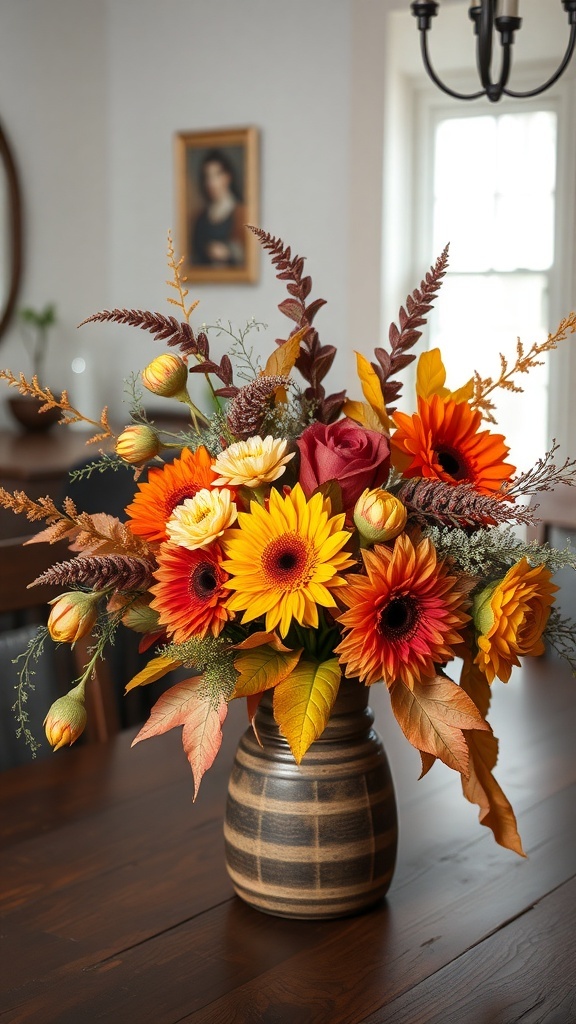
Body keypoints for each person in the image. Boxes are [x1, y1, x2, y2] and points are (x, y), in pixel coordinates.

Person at [191, 149, 246, 267]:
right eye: (208, 177)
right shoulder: (201, 218)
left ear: (227, 177)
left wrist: (228, 252)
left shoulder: (241, 213)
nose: (211, 183)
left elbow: (250, 255)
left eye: (216, 175)